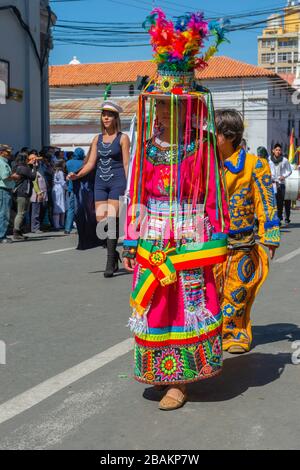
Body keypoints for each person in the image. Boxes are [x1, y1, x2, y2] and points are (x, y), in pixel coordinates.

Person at [122, 9, 230, 410]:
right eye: (163, 106)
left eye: (175, 107)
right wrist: (132, 235)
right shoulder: (147, 149)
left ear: (187, 108)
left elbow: (213, 196)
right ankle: (159, 371)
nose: (167, 113)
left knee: (189, 303)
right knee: (155, 303)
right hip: (154, 234)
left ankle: (180, 382)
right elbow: (136, 195)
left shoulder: (201, 146)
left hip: (191, 236)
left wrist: (217, 238)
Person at [214, 110, 280, 354]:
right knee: (210, 290)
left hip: (242, 243)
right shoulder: (206, 165)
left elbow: (266, 200)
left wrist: (270, 235)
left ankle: (235, 333)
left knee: (237, 291)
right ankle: (211, 332)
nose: (211, 138)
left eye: (216, 133)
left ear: (229, 135)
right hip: (210, 242)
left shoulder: (254, 165)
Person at [67, 101, 130, 277]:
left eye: (109, 114)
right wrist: (77, 175)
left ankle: (110, 262)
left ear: (116, 118)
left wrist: (129, 185)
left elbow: (126, 163)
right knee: (101, 221)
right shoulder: (97, 139)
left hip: (118, 182)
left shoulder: (123, 138)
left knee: (111, 219)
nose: (106, 117)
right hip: (100, 183)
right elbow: (90, 164)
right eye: (103, 114)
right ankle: (114, 252)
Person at [12, 152, 36, 240]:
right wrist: (34, 166)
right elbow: (33, 176)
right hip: (22, 192)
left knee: (21, 212)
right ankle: (16, 232)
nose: (29, 160)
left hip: (20, 192)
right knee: (21, 213)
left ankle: (19, 232)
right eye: (27, 158)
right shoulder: (23, 168)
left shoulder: (17, 167)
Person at [0, 144, 20, 243]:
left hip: (5, 189)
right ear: (1, 152)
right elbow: (5, 177)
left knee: (3, 213)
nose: (9, 153)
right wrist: (14, 176)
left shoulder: (4, 162)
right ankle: (2, 236)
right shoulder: (1, 162)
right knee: (4, 214)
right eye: (7, 152)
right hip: (3, 190)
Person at [269, 143, 292, 226]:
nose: (278, 151)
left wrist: (284, 176)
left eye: (279, 150)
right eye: (276, 150)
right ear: (273, 151)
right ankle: (272, 220)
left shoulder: (285, 160)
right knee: (272, 203)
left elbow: (289, 171)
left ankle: (278, 219)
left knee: (279, 203)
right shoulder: (269, 160)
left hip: (280, 184)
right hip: (271, 183)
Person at [65, 147, 85, 234]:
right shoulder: (84, 163)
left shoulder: (68, 162)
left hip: (71, 187)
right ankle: (80, 227)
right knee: (81, 208)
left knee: (71, 208)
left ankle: (67, 228)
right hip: (82, 187)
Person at [30, 154, 48, 233]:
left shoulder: (39, 169)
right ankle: (35, 228)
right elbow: (34, 183)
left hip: (43, 193)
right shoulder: (33, 171)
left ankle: (39, 226)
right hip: (37, 194)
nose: (38, 162)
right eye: (36, 161)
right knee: (36, 212)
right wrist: (39, 193)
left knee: (42, 210)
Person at [52, 161, 67, 230]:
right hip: (60, 189)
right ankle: (59, 225)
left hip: (55, 188)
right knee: (60, 206)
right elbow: (62, 182)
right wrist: (66, 188)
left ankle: (58, 224)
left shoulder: (55, 171)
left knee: (58, 205)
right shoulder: (60, 172)